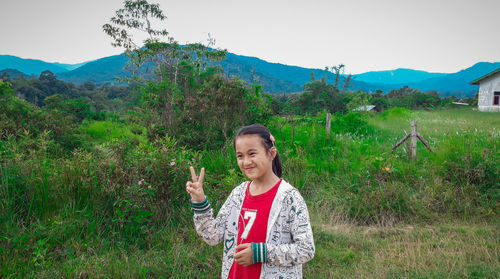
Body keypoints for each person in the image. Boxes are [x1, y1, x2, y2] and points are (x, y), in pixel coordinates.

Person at [186, 124, 315, 278]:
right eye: (240, 156)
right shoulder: (238, 194)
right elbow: (212, 236)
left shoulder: (289, 198)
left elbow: (306, 250)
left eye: (252, 153)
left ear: (271, 153)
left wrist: (260, 253)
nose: (246, 162)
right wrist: (200, 203)